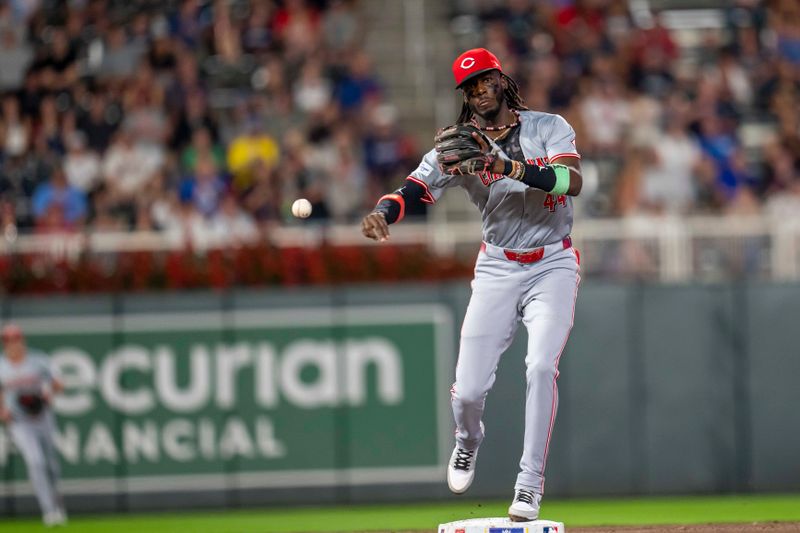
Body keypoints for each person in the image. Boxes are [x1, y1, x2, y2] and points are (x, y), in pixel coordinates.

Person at [361, 49, 582, 521]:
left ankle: (529, 484)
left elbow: (570, 180)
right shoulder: (457, 143)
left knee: (541, 366)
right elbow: (414, 189)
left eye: (484, 81)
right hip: (498, 267)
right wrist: (383, 212)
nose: (479, 91)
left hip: (553, 263)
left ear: (501, 80)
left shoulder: (548, 127)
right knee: (466, 393)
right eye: (469, 87)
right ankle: (467, 442)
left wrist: (507, 167)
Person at [0, 323, 67, 526]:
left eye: (16, 337)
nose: (13, 342)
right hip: (20, 422)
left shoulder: (38, 360)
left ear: (22, 339)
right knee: (35, 462)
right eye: (8, 339)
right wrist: (2, 410)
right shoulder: (1, 365)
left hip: (42, 416)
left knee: (51, 465)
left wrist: (49, 392)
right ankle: (48, 511)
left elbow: (59, 383)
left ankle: (57, 504)